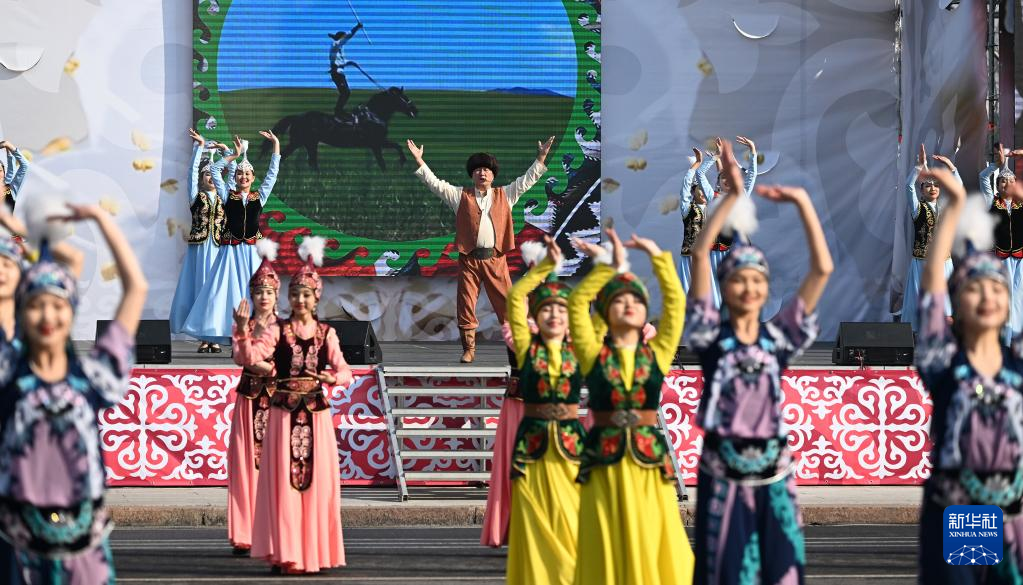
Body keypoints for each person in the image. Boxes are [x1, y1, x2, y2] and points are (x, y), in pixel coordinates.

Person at [686, 140, 832, 585]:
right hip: (723, 476)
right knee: (726, 573)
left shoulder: (778, 338)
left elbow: (821, 271)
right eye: (738, 280)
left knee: (782, 571)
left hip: (775, 475)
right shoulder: (711, 337)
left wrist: (803, 203)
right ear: (724, 286)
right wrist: (729, 198)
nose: (748, 288)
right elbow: (699, 254)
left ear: (766, 289)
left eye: (756, 280)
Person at [0, 203, 147, 583]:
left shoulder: (93, 376)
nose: (48, 317)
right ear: (22, 313)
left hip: (85, 549)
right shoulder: (8, 372)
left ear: (71, 312)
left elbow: (136, 288)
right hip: (19, 549)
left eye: (57, 305)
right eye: (36, 306)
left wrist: (100, 218)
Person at [915, 167, 1023, 584]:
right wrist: (955, 206)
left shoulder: (1017, 362)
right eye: (974, 289)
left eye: (996, 289)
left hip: (1013, 510)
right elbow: (931, 283)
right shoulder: (945, 361)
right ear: (956, 303)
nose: (987, 296)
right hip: (962, 509)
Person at [569, 227, 694, 585]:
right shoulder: (593, 354)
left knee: (651, 535)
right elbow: (577, 306)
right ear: (607, 311)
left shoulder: (657, 354)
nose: (628, 305)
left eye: (636, 301)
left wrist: (658, 257)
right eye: (619, 301)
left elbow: (676, 306)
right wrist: (608, 267)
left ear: (644, 314)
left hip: (646, 461)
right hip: (604, 462)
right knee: (604, 540)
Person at [234, 236, 353, 575]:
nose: (300, 300)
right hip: (283, 414)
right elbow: (249, 357)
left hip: (316, 414)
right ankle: (285, 552)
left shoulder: (327, 333)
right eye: (295, 294)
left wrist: (333, 378)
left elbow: (346, 371)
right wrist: (242, 331)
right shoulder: (278, 330)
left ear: (316, 298)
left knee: (315, 485)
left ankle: (313, 553)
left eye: (306, 294)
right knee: (283, 484)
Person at [406, 137, 554, 362]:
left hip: (496, 260)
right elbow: (435, 184)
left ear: (493, 175)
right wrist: (420, 161)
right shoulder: (460, 196)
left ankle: (518, 349)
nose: (482, 173)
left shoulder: (506, 194)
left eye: (486, 170)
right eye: (477, 170)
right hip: (469, 260)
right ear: (472, 175)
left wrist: (541, 157)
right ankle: (469, 349)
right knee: (466, 305)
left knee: (508, 305)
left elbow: (527, 180)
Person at [504, 236, 585, 585]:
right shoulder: (527, 348)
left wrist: (605, 266)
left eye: (561, 310)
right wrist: (544, 269)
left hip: (569, 444)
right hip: (533, 443)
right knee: (535, 516)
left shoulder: (580, 349)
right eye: (547, 309)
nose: (554, 315)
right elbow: (514, 299)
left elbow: (584, 305)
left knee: (571, 514)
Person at [181, 132, 280, 350]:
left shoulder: (259, 196)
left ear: (253, 178)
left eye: (247, 174)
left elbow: (272, 174)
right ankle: (226, 333)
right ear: (235, 177)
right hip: (230, 253)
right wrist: (233, 156)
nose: (243, 177)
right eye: (240, 173)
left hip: (252, 253)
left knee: (254, 293)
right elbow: (217, 170)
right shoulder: (227, 195)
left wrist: (276, 145)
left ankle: (256, 337)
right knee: (226, 294)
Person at [227, 238, 280, 556]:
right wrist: (263, 363)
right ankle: (244, 533)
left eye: (268, 292)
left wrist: (259, 363)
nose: (263, 297)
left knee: (274, 467)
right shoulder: (242, 325)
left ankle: (272, 530)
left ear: (276, 296)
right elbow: (240, 358)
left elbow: (276, 364)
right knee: (244, 467)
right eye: (258, 291)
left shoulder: (283, 328)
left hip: (275, 403)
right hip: (248, 402)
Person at [169, 129, 227, 353]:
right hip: (201, 249)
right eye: (207, 175)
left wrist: (228, 153)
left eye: (213, 175)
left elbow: (232, 173)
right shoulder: (196, 197)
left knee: (216, 292)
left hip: (219, 248)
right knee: (201, 289)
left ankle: (214, 335)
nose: (210, 178)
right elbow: (191, 173)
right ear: (202, 179)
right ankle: (204, 338)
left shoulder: (225, 196)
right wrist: (199, 148)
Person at [901, 144, 959, 332]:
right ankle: (919, 335)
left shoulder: (947, 207)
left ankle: (944, 334)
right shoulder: (918, 209)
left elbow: (959, 190)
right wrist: (919, 166)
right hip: (922, 261)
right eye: (928, 185)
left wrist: (951, 167)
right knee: (921, 298)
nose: (932, 188)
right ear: (922, 190)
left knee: (945, 300)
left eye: (936, 185)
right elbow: (908, 187)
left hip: (944, 261)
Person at [980, 144, 1023, 341]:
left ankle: (1017, 338)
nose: (1007, 184)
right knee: (1004, 296)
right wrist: (995, 166)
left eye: (1011, 181)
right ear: (997, 185)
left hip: (1021, 257)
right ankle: (1003, 338)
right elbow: (983, 178)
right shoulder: (992, 201)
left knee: (1019, 297)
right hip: (1001, 257)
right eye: (1003, 181)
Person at [709, 136, 757, 308]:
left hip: (737, 248)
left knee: (738, 283)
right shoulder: (714, 198)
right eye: (724, 179)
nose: (727, 181)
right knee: (717, 285)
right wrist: (718, 158)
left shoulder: (741, 196)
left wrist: (752, 151)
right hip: (717, 249)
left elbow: (751, 175)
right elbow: (721, 175)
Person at [679, 147, 715, 294]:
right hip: (689, 256)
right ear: (694, 192)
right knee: (687, 291)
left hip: (708, 257)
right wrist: (697, 163)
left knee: (709, 292)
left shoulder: (713, 208)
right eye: (700, 189)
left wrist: (715, 159)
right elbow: (686, 185)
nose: (704, 192)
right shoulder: (687, 208)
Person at [328, 23, 364, 122]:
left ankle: (339, 110)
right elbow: (349, 35)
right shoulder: (336, 44)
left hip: (339, 73)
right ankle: (338, 111)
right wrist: (357, 27)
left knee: (346, 92)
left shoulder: (339, 47)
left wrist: (350, 62)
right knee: (346, 92)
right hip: (337, 73)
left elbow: (341, 61)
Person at [0, 140, 29, 211]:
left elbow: (24, 166)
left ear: (4, 172)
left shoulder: (10, 189)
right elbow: (11, 171)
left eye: (0, 171)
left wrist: (10, 147)